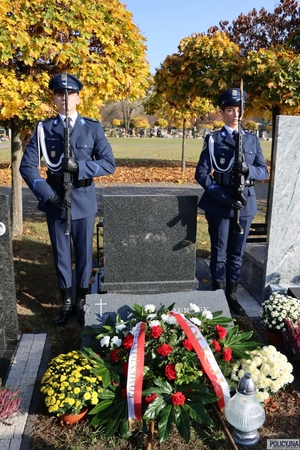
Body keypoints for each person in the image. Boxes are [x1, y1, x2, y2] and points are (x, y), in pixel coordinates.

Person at [20, 73, 115, 326]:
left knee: (84, 254)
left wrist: (81, 167)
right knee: (61, 254)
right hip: (55, 201)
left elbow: (108, 164)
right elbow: (28, 167)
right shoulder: (43, 129)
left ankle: (82, 300)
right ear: (54, 98)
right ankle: (67, 301)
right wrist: (48, 196)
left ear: (78, 98)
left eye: (70, 94)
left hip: (83, 200)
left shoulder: (92, 127)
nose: (65, 98)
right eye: (60, 94)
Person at [195, 87, 268, 314]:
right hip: (220, 203)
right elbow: (202, 173)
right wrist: (222, 197)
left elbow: (263, 171)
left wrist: (248, 171)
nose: (235, 114)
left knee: (237, 253)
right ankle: (218, 293)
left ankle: (232, 295)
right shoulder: (214, 140)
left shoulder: (252, 140)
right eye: (230, 110)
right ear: (223, 112)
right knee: (219, 252)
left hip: (245, 203)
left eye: (238, 110)